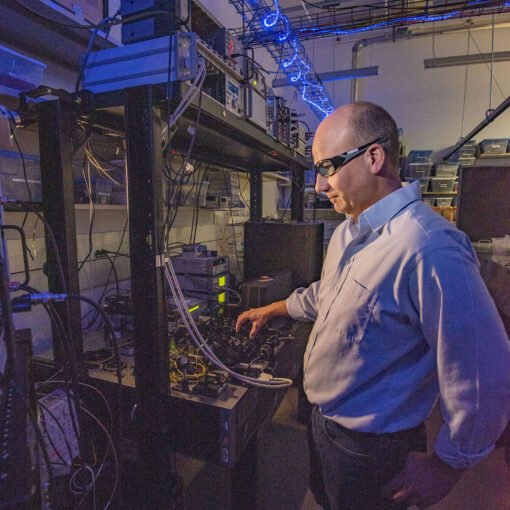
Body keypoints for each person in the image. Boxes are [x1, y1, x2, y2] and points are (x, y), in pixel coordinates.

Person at [236, 102, 510, 510]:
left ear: (374, 157)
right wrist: (273, 308)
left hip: (372, 451)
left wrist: (448, 466)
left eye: (327, 167)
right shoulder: (352, 230)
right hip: (325, 428)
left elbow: (481, 371)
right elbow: (327, 296)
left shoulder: (428, 247)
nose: (319, 186)